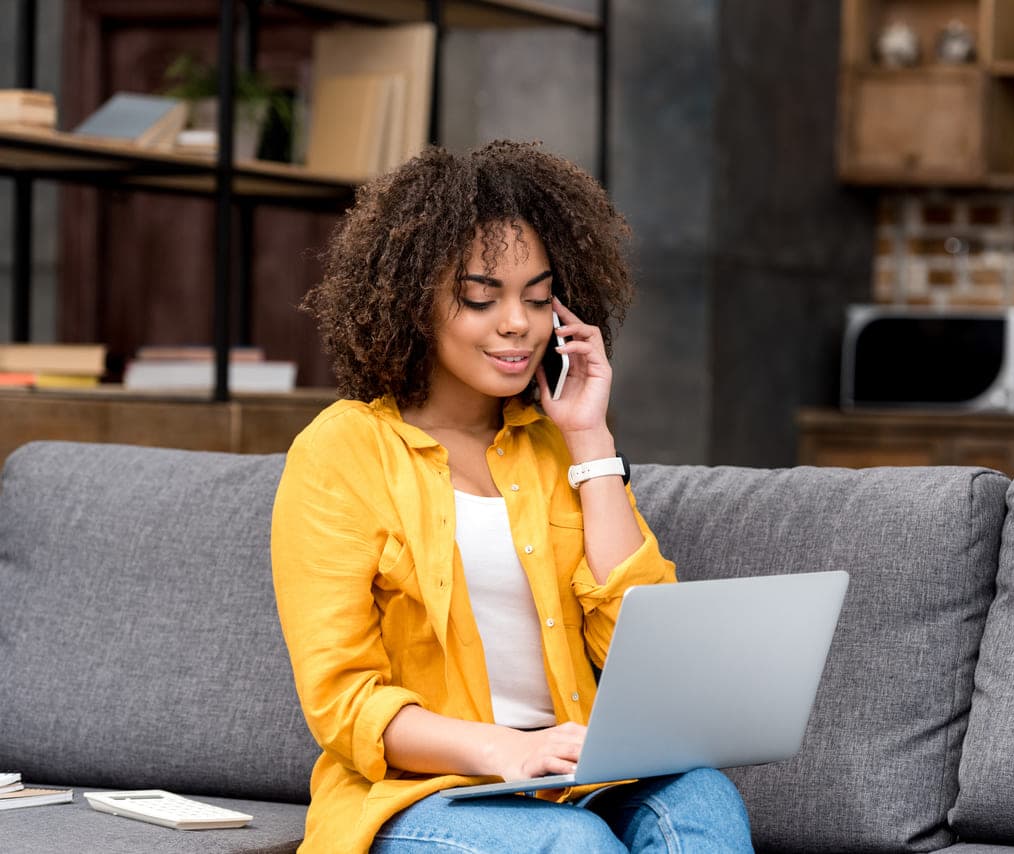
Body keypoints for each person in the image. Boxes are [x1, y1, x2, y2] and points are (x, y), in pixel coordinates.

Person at [271, 141, 754, 854]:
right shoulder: (339, 454)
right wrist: (500, 751)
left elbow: (640, 652)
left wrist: (590, 441)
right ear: (413, 302)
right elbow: (344, 705)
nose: (517, 324)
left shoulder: (556, 443)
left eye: (537, 297)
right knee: (573, 843)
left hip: (573, 773)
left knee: (703, 801)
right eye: (481, 297)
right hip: (425, 792)